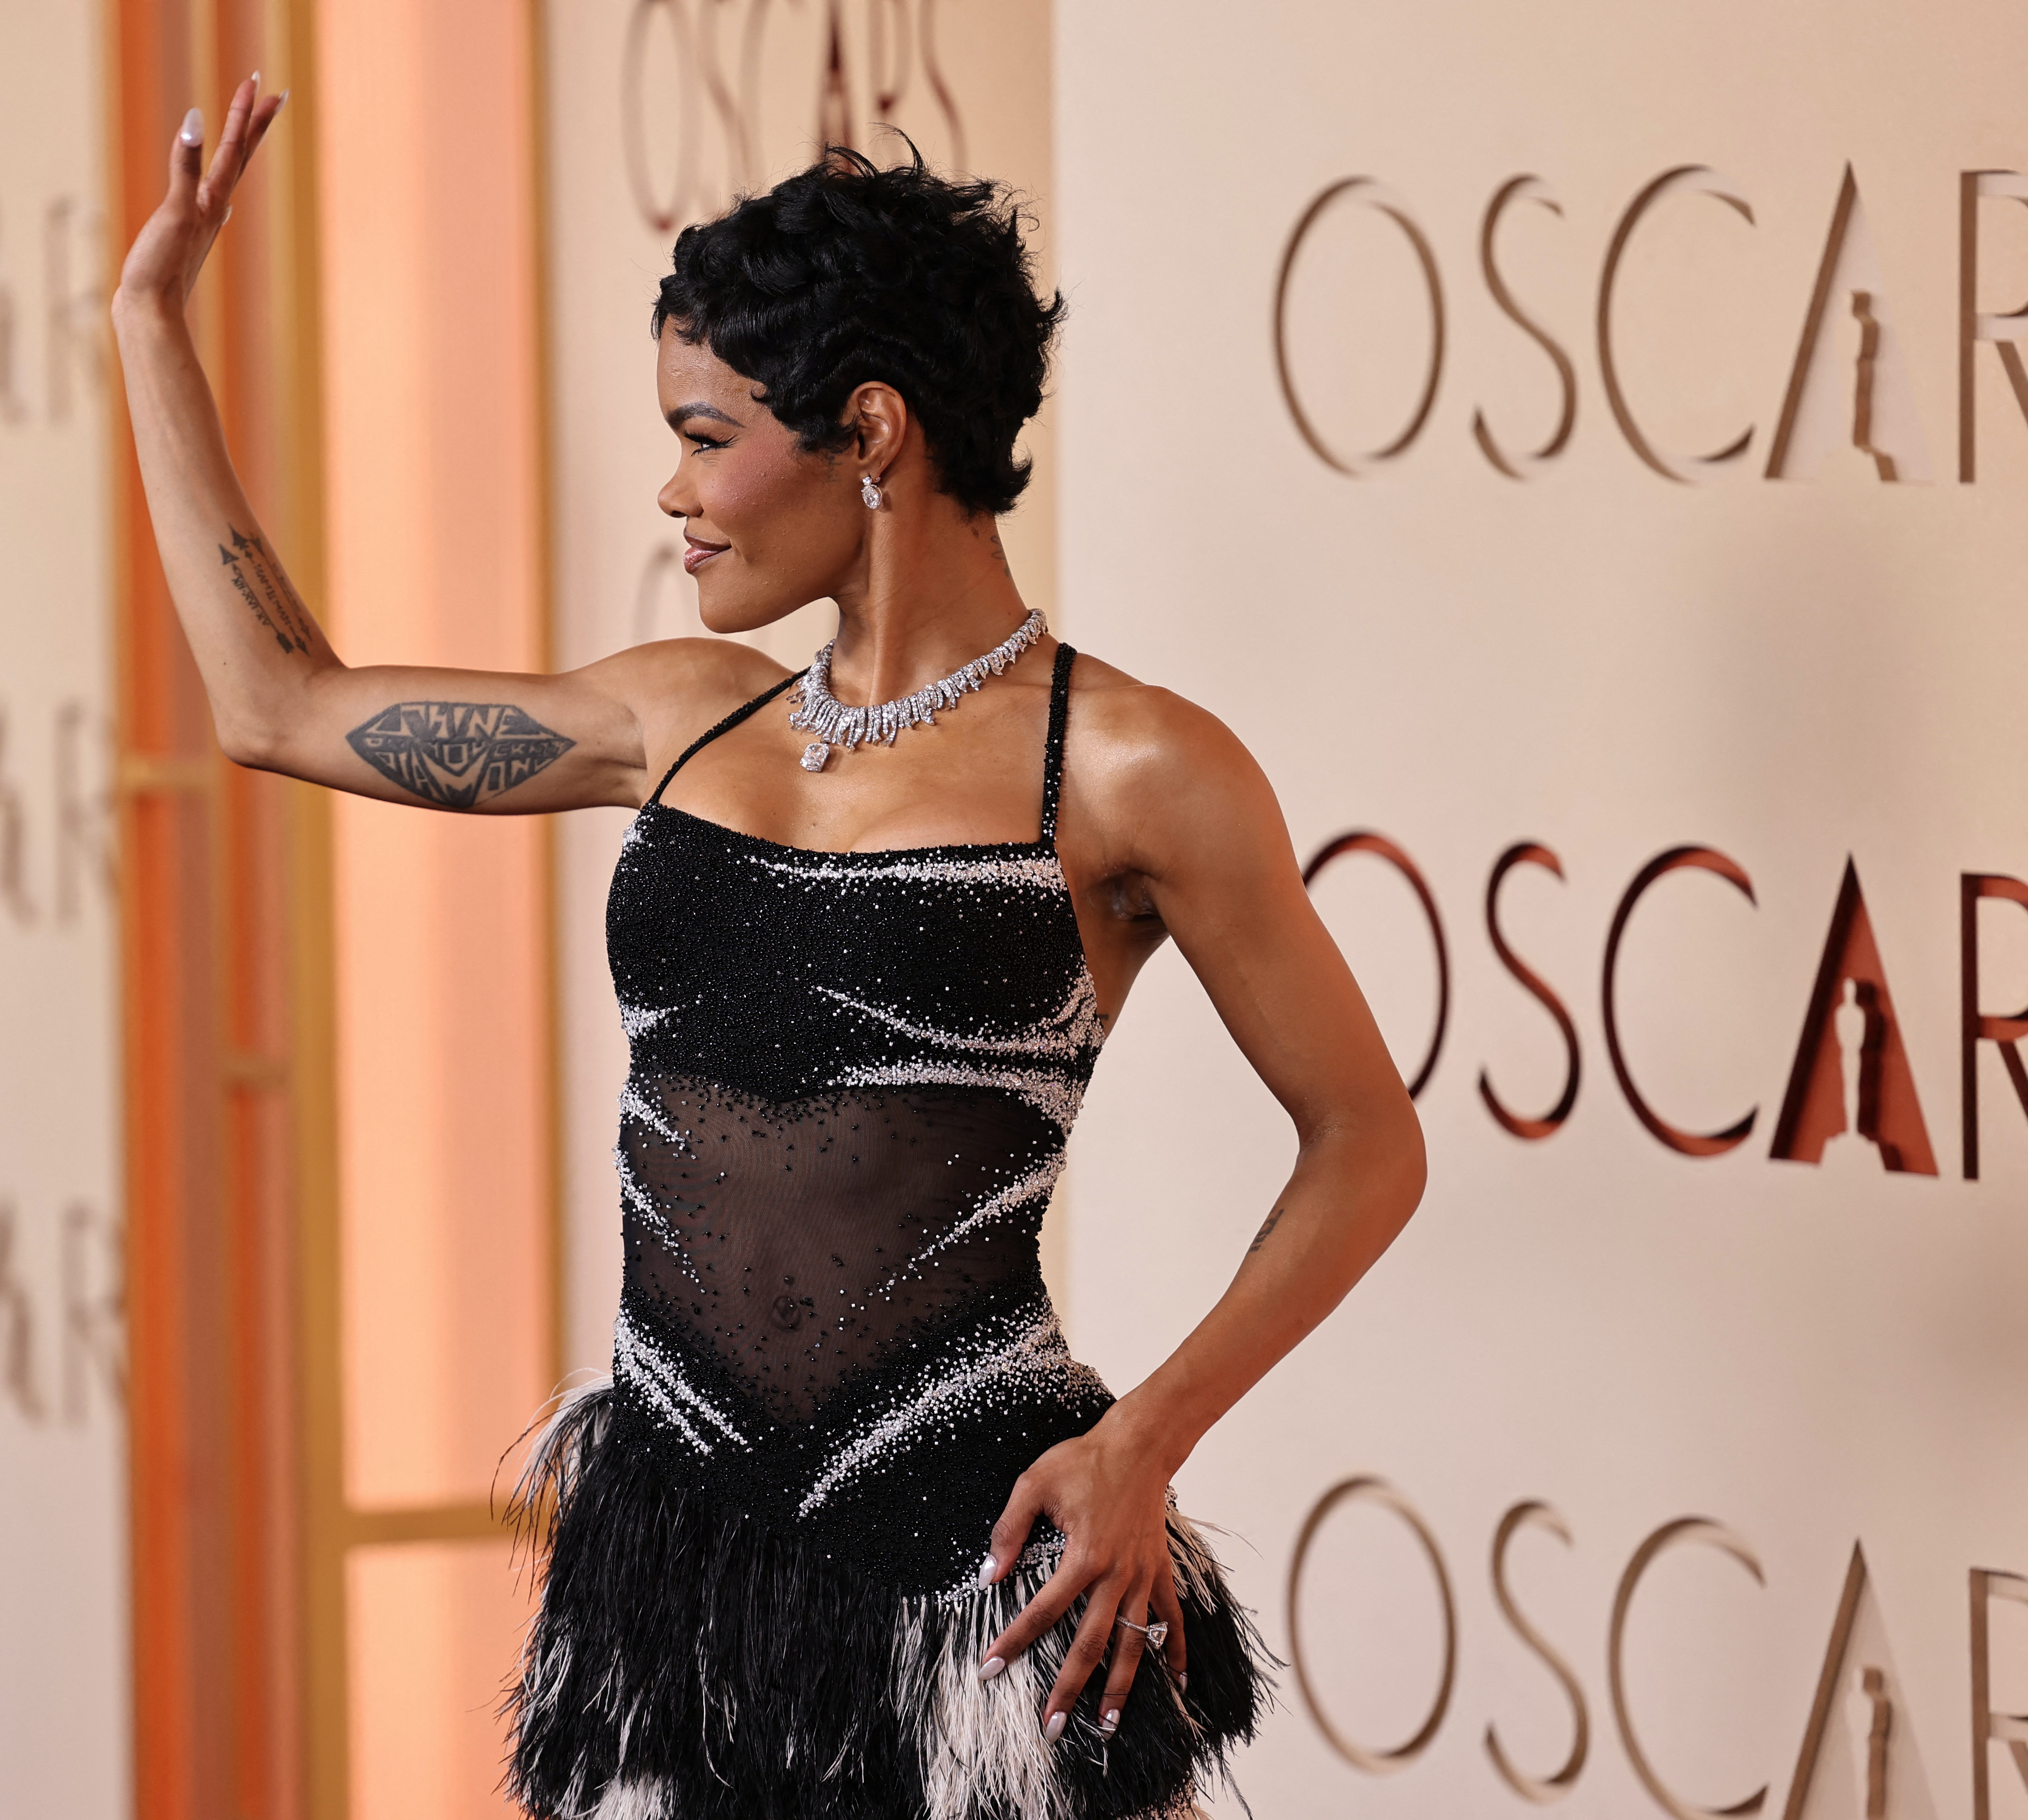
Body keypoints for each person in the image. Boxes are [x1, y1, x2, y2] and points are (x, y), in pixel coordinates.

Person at [116, 75, 1426, 1820]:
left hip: (976, 1577)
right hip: (678, 1570)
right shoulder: (675, 718)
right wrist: (149, 329)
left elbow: (1366, 1143)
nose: (672, 491)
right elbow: (281, 706)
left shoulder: (1129, 771)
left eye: (704, 432)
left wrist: (1142, 1441)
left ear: (869, 431)